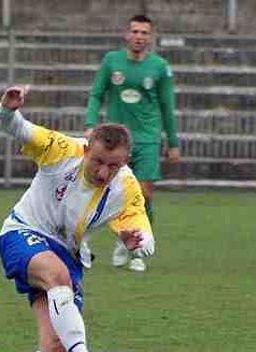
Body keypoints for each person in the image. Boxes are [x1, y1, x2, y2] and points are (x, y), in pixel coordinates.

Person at [0, 85, 155, 352]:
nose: (103, 171)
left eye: (114, 165)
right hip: (23, 233)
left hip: (68, 254)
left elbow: (146, 236)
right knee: (57, 277)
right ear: (87, 146)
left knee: (52, 345)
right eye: (98, 161)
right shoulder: (61, 150)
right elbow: (14, 127)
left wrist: (137, 242)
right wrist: (8, 108)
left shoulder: (125, 187)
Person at [84, 14, 179, 272]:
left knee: (144, 193)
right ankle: (117, 237)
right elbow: (96, 94)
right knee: (106, 191)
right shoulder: (111, 61)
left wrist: (173, 142)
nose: (139, 36)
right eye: (135, 31)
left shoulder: (159, 67)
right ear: (127, 35)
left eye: (144, 33)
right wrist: (90, 124)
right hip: (116, 141)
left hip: (147, 138)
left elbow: (167, 107)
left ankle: (137, 250)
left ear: (150, 37)